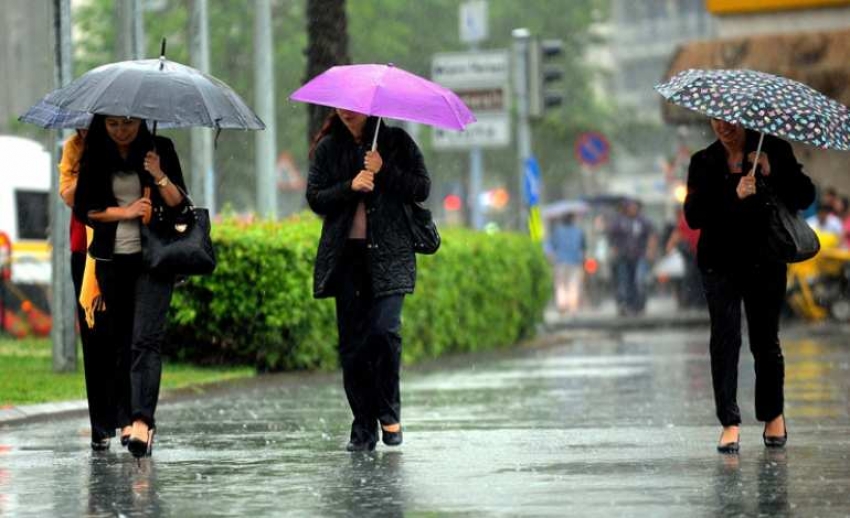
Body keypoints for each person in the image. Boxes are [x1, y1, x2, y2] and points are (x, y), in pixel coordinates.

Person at [684, 119, 815, 454]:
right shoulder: (703, 161)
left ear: (744, 120)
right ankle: (729, 422)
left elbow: (804, 196)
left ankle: (773, 415)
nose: (723, 127)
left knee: (765, 341)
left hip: (765, 261)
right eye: (716, 121)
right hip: (719, 264)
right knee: (724, 341)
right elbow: (693, 215)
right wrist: (732, 192)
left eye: (730, 122)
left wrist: (774, 172)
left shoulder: (772, 149)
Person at [306, 109, 430, 452]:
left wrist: (383, 170)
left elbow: (421, 188)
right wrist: (351, 186)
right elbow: (315, 197)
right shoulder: (329, 148)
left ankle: (389, 412)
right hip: (347, 259)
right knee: (353, 346)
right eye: (341, 106)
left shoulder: (396, 142)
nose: (346, 112)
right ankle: (363, 424)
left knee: (385, 331)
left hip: (390, 256)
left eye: (354, 107)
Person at [74, 114, 187, 458]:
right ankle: (124, 417)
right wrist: (124, 213)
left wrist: (158, 174)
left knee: (146, 340)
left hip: (153, 261)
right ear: (102, 126)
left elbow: (180, 205)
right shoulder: (95, 154)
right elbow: (84, 209)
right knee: (121, 339)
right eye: (112, 125)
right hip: (113, 261)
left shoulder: (160, 148)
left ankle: (142, 422)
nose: (121, 131)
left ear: (141, 121)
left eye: (127, 123)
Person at [59, 129, 118, 451]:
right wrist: (90, 166)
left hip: (123, 249)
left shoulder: (128, 144)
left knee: (121, 337)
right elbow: (68, 195)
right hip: (84, 251)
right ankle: (101, 426)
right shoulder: (74, 148)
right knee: (93, 337)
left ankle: (130, 418)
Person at [607, 199, 656, 315]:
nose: (632, 210)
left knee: (639, 280)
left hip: (640, 255)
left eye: (634, 207)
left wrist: (650, 250)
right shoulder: (619, 221)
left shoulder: (643, 221)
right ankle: (625, 305)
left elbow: (652, 235)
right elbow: (611, 236)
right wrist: (614, 249)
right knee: (624, 281)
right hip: (623, 256)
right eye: (630, 207)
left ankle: (639, 305)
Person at [548, 213, 586, 314]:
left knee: (561, 285)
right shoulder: (578, 232)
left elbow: (550, 246)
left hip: (560, 261)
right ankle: (573, 307)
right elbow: (583, 247)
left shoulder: (557, 232)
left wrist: (551, 257)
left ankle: (562, 305)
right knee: (574, 285)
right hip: (574, 261)